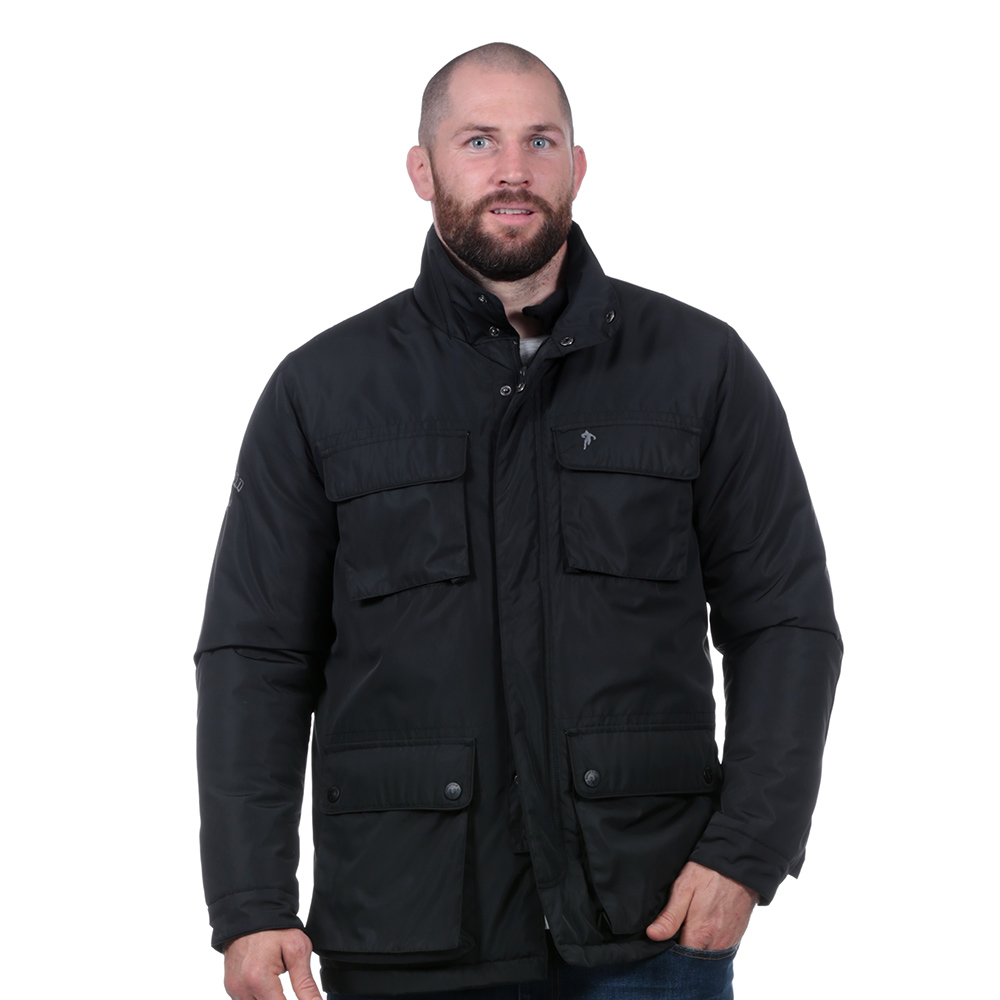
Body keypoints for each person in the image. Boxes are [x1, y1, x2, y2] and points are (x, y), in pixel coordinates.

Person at [194, 42, 842, 1000]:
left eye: (540, 141)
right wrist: (252, 903)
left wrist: (748, 852)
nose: (512, 170)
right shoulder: (322, 390)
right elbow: (256, 657)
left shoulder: (699, 367)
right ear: (422, 170)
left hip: (650, 922)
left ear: (576, 166)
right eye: (478, 141)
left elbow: (785, 622)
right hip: (410, 927)